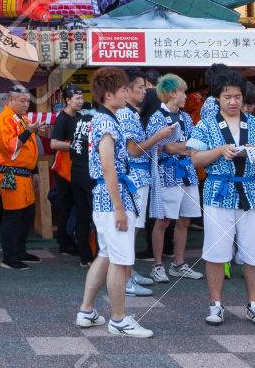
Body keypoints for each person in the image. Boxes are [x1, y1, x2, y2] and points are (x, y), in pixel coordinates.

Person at [188, 72, 255, 327]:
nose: (233, 102)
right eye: (227, 97)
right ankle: (215, 304)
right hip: (219, 193)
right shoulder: (206, 124)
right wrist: (218, 151)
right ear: (217, 98)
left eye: (237, 97)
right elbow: (195, 159)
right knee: (216, 252)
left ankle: (254, 304)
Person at [76, 67, 152, 337]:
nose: (127, 93)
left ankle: (87, 310)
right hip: (113, 197)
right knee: (120, 260)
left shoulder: (102, 119)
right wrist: (120, 208)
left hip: (105, 197)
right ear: (110, 94)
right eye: (123, 89)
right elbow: (109, 167)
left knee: (107, 255)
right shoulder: (107, 123)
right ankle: (119, 319)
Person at [144, 74, 203, 283]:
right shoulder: (157, 117)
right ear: (171, 94)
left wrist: (183, 148)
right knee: (163, 220)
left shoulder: (186, 117)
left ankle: (179, 263)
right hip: (167, 173)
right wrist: (187, 148)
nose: (185, 96)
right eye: (182, 92)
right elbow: (167, 147)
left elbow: (193, 144)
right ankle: (157, 265)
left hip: (187, 173)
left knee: (185, 219)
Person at [117, 70, 170, 295]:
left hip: (137, 176)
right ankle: (125, 278)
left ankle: (129, 273)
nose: (144, 91)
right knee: (131, 230)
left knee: (134, 229)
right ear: (127, 90)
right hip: (134, 177)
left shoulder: (130, 112)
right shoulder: (127, 114)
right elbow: (134, 151)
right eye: (140, 87)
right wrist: (158, 137)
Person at [0, 84, 43, 270]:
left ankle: (20, 251)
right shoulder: (3, 120)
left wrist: (35, 172)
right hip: (10, 173)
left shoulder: (21, 119)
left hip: (25, 174)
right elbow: (11, 146)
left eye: (28, 101)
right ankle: (9, 257)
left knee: (26, 215)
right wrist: (30, 131)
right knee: (13, 216)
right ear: (10, 100)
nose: (26, 104)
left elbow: (31, 150)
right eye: (22, 101)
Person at [48, 84, 87, 260]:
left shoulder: (80, 116)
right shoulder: (62, 118)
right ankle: (64, 243)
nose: (80, 101)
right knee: (65, 207)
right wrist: (73, 145)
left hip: (77, 169)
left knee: (78, 206)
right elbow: (53, 144)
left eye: (81, 98)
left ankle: (74, 239)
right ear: (67, 100)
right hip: (64, 170)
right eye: (77, 99)